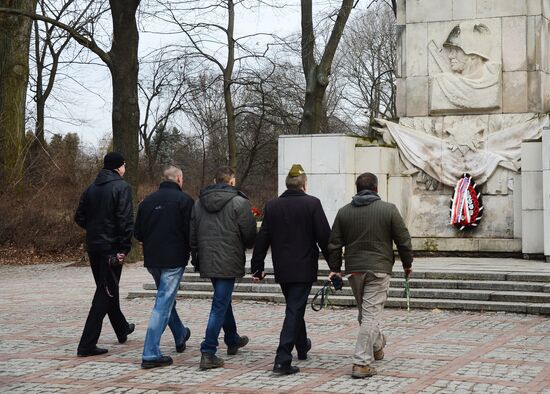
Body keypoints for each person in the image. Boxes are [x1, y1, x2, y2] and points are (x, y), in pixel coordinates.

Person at [327, 172, 413, 379]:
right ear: (376, 189)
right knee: (370, 315)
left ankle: (377, 344)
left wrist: (335, 268)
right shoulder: (388, 210)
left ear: (357, 189)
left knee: (365, 314)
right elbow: (403, 240)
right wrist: (407, 264)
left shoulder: (343, 212)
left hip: (355, 270)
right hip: (379, 268)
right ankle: (361, 363)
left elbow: (334, 244)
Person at [251, 164, 331, 375]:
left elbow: (263, 238)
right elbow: (325, 237)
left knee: (295, 307)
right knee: (294, 309)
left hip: (283, 269)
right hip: (304, 268)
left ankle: (302, 346)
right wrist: (335, 267)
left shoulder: (273, 205)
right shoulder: (312, 204)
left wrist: (257, 267)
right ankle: (282, 358)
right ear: (304, 185)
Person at [190, 166, 257, 370]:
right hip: (229, 259)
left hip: (208, 258)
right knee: (219, 304)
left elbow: (192, 234)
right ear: (232, 182)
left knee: (222, 300)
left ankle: (232, 338)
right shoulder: (239, 202)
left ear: (214, 180)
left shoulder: (199, 203)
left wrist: (196, 257)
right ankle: (208, 350)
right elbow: (249, 234)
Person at [74, 152, 135, 357]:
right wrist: (123, 249)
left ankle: (122, 328)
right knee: (104, 293)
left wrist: (93, 228)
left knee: (107, 288)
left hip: (94, 247)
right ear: (118, 167)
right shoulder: (122, 187)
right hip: (111, 249)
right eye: (124, 165)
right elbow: (125, 221)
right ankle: (86, 344)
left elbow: (79, 217)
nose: (125, 168)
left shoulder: (90, 189)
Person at [134, 166, 194, 369]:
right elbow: (191, 233)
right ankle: (150, 353)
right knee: (163, 302)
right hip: (174, 259)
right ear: (178, 178)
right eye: (182, 178)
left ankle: (180, 334)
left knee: (165, 298)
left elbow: (138, 233)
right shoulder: (185, 201)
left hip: (153, 259)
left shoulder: (147, 202)